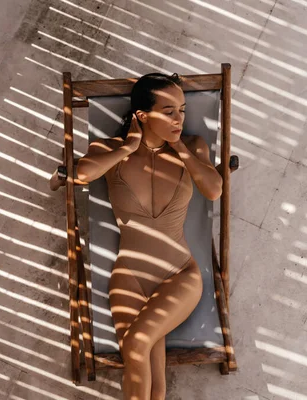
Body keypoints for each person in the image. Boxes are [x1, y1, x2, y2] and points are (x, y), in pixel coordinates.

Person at [75, 73, 223, 399]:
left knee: (138, 344)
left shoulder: (193, 146)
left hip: (179, 274)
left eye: (182, 110)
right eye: (168, 111)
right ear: (142, 115)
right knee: (142, 363)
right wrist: (128, 146)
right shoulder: (111, 150)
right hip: (129, 278)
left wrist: (179, 146)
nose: (178, 118)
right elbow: (82, 174)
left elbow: (213, 190)